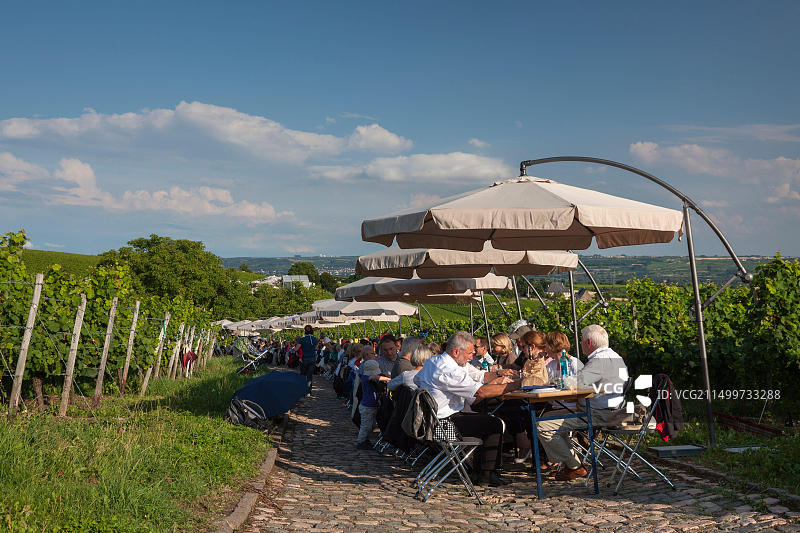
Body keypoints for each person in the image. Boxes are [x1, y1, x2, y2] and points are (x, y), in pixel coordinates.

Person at [414, 331, 522, 487]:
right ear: (456, 351)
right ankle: (486, 475)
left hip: (433, 420)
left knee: (484, 417)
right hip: (444, 425)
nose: (472, 357)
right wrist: (518, 384)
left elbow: (417, 379)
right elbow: (480, 392)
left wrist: (498, 376)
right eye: (470, 353)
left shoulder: (434, 361)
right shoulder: (449, 370)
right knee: (495, 424)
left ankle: (477, 470)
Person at [537, 324, 627, 481]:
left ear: (589, 343)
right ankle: (571, 464)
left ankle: (574, 467)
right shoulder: (614, 356)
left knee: (543, 426)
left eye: (581, 340)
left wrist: (556, 383)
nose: (580, 343)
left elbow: (574, 383)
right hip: (608, 410)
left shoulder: (600, 360)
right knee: (547, 418)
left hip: (600, 414)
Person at [355, 360, 390, 449]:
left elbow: (378, 375)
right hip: (367, 406)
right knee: (365, 426)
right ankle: (361, 441)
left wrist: (385, 374)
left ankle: (366, 440)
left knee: (371, 426)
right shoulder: (365, 378)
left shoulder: (369, 376)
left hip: (372, 405)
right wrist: (387, 379)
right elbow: (375, 377)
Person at [297, 325, 319, 395]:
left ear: (305, 331)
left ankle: (302, 390)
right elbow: (316, 348)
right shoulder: (315, 339)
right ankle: (308, 391)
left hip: (304, 359)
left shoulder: (302, 339)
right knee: (310, 376)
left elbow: (296, 348)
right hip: (312, 358)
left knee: (303, 375)